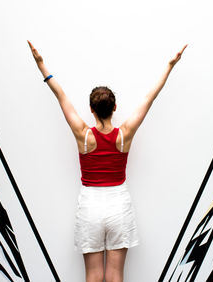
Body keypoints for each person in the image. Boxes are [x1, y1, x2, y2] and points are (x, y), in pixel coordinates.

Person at [28, 40, 187, 282]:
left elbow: (61, 96)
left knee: (93, 275)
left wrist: (42, 66)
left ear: (91, 109)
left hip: (90, 206)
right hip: (118, 205)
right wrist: (169, 66)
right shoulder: (125, 134)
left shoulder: (83, 134)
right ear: (114, 107)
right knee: (115, 276)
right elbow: (149, 98)